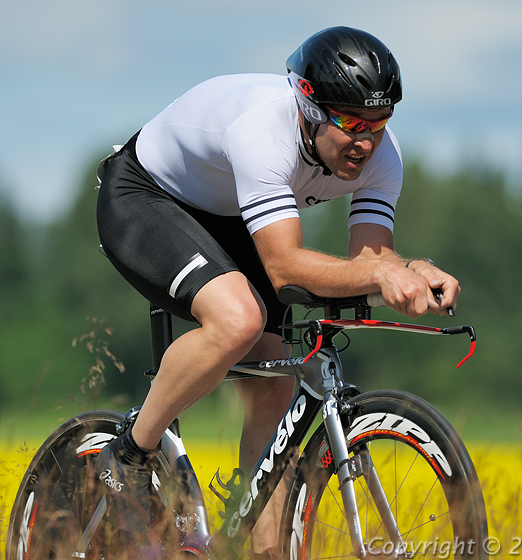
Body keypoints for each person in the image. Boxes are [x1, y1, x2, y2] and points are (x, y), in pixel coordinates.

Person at [94, 26, 460, 557]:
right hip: (147, 196)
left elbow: (369, 262)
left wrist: (411, 269)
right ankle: (128, 457)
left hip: (231, 215)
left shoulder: (383, 156)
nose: (366, 141)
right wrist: (384, 275)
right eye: (352, 122)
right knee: (239, 320)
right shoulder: (264, 130)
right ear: (309, 107)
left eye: (380, 123)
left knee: (274, 376)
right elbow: (286, 268)